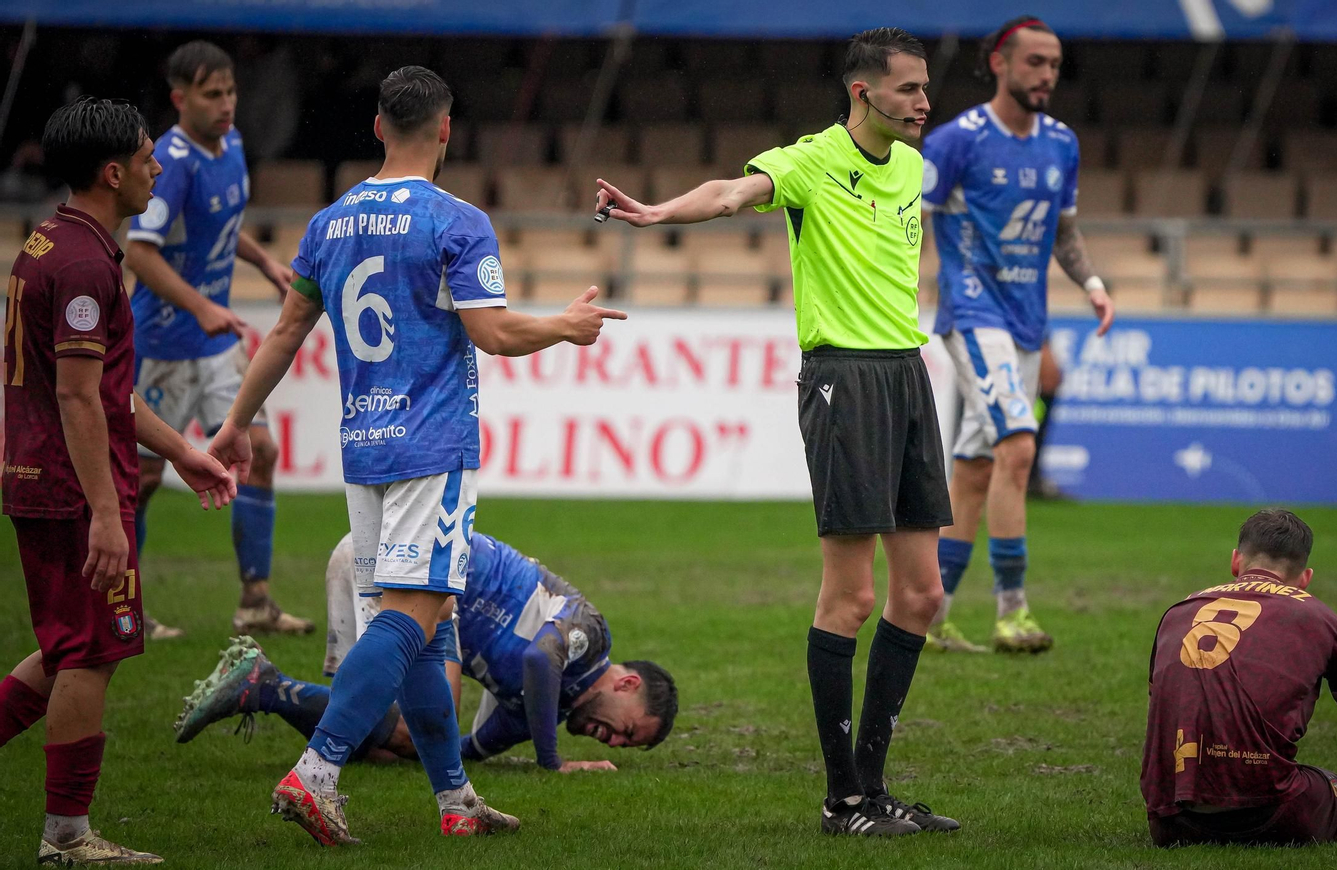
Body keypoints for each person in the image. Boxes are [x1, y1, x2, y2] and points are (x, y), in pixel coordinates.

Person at [207, 65, 625, 846]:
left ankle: (456, 800)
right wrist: (566, 326)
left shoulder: (329, 222)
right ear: (444, 128)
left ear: (375, 128)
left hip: (363, 448)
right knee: (409, 621)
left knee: (432, 634)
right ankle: (317, 772)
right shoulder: (456, 220)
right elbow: (493, 332)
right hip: (432, 446)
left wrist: (236, 419)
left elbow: (287, 332)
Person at [594, 27, 957, 838]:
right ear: (863, 93)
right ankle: (843, 801)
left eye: (927, 87)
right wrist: (657, 214)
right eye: (909, 89)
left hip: (905, 375)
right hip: (844, 381)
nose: (925, 102)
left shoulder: (913, 167)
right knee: (853, 595)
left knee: (923, 594)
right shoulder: (810, 159)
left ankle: (870, 785)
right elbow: (730, 192)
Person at [0, 96, 236, 866]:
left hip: (49, 476)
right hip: (71, 488)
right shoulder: (80, 262)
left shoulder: (56, 243)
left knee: (69, 645)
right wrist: (107, 512)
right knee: (93, 652)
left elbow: (105, 389)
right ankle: (66, 835)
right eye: (144, 158)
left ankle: (66, 830)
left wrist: (182, 450)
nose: (155, 166)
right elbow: (75, 395)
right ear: (113, 172)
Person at [920, 17, 1114, 655]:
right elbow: (910, 223)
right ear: (1000, 63)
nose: (1047, 75)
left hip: (1026, 322)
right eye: (1035, 62)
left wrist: (1091, 286)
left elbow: (1062, 233)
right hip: (973, 313)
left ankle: (935, 613)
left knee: (975, 470)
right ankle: (1012, 612)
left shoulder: (1062, 143)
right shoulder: (956, 142)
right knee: (1019, 449)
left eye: (1055, 65)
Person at [173, 531, 677, 772]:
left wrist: (524, 759)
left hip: (399, 574)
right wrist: (552, 763)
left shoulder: (540, 711)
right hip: (423, 571)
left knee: (398, 746)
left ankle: (262, 686)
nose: (612, 743)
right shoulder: (591, 635)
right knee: (425, 723)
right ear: (627, 683)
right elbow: (538, 659)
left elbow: (460, 752)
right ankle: (261, 687)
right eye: (627, 731)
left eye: (623, 748)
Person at [124, 41, 309, 639]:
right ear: (180, 99)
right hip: (161, 343)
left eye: (230, 91)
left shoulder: (230, 146)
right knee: (142, 479)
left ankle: (255, 600)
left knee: (260, 452)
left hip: (213, 341)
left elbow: (222, 229)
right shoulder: (172, 161)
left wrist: (262, 262)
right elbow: (139, 251)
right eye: (212, 94)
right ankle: (123, 606)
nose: (227, 104)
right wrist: (201, 304)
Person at [1140, 509, 1337, 847]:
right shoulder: (1321, 618)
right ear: (1305, 578)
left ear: (1236, 562)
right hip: (1271, 814)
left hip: (1169, 821)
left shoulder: (1176, 612)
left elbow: (1164, 717)